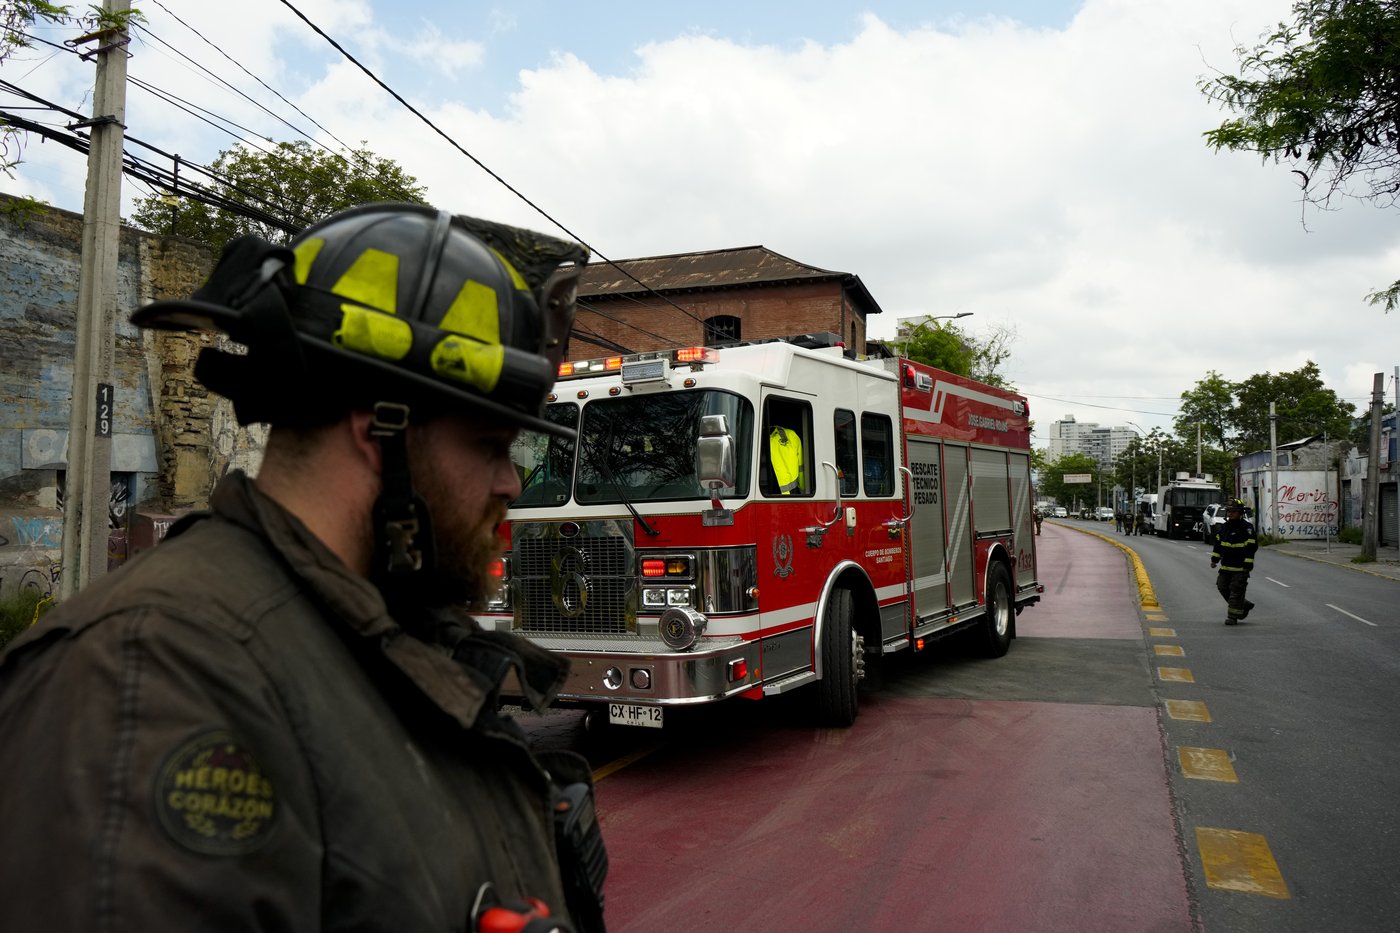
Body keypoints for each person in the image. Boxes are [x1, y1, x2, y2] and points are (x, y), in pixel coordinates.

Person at [0, 204, 607, 932]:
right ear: (379, 430)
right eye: (488, 445)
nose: (510, 483)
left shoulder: (383, 641)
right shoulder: (150, 677)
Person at [1210, 498, 1257, 625]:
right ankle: (1244, 604)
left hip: (1240, 568)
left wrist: (1248, 564)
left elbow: (1251, 548)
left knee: (1236, 591)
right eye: (1229, 511)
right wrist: (1214, 559)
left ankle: (1233, 616)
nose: (1230, 513)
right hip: (1226, 567)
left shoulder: (1247, 528)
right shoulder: (1224, 527)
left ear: (1240, 513)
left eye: (1233, 511)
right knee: (1222, 586)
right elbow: (1218, 545)